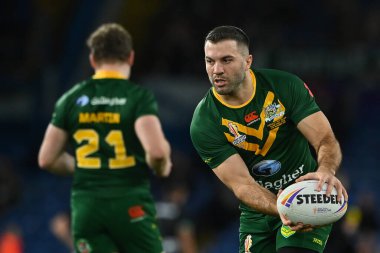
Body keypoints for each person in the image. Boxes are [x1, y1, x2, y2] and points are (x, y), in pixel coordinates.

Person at [190, 25, 348, 253]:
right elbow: (242, 185)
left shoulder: (285, 86)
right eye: (209, 61)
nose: (216, 70)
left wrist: (325, 170)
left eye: (226, 60)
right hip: (258, 212)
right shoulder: (204, 121)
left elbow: (325, 139)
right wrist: (283, 208)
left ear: (248, 61)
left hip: (307, 197)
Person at [38, 23, 172, 253]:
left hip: (87, 208)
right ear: (130, 57)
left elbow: (46, 159)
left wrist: (81, 166)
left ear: (93, 60)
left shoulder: (70, 99)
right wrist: (162, 167)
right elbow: (157, 152)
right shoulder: (137, 98)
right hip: (130, 205)